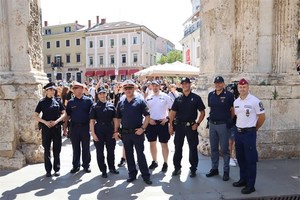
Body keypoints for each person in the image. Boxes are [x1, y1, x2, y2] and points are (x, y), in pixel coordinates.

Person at [113, 79, 152, 185]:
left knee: (140, 155)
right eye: (126, 88)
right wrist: (116, 131)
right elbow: (118, 118)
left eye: (130, 88)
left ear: (134, 89)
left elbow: (147, 116)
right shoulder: (121, 102)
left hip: (137, 133)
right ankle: (132, 174)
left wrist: (143, 129)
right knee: (129, 155)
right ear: (124, 90)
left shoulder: (140, 101)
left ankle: (145, 175)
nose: (128, 90)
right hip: (125, 133)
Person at [232, 78, 266, 194]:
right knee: (240, 158)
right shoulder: (236, 102)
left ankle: (251, 185)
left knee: (250, 159)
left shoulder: (255, 101)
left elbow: (262, 117)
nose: (242, 89)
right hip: (238, 132)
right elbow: (238, 116)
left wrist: (255, 128)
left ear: (248, 87)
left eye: (244, 87)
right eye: (240, 87)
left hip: (249, 133)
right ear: (238, 88)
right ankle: (243, 179)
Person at [169, 77, 206, 178]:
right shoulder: (178, 99)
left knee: (193, 148)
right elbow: (172, 112)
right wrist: (171, 125)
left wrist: (197, 124)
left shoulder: (196, 98)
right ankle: (177, 168)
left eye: (187, 83)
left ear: (190, 84)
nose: (185, 85)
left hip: (191, 126)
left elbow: (202, 112)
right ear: (181, 86)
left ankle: (193, 169)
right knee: (177, 148)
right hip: (179, 126)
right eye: (183, 84)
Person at [205, 76, 235, 181]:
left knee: (224, 149)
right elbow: (211, 108)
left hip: (223, 125)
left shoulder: (229, 95)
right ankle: (214, 168)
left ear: (223, 84)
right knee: (213, 148)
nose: (218, 85)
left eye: (220, 83)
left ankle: (226, 171)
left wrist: (228, 121)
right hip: (212, 124)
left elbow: (232, 111)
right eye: (216, 83)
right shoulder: (211, 95)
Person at [34, 82, 66, 177]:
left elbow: (64, 113)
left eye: (53, 90)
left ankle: (56, 169)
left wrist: (57, 121)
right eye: (51, 90)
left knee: (57, 149)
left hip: (56, 128)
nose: (53, 91)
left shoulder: (57, 100)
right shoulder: (42, 102)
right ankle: (48, 170)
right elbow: (36, 116)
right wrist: (45, 122)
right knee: (47, 149)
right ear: (46, 91)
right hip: (46, 128)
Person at [64, 81, 94, 174]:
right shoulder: (70, 102)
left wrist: (92, 128)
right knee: (75, 148)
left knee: (86, 147)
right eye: (74, 89)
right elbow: (67, 116)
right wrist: (65, 127)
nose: (75, 90)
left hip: (85, 127)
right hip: (74, 127)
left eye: (77, 88)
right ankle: (75, 166)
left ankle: (86, 165)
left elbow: (93, 115)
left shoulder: (88, 101)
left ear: (82, 89)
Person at [89, 87, 119, 178]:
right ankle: (103, 170)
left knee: (111, 150)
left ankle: (112, 167)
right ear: (98, 95)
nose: (102, 95)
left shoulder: (111, 105)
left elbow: (115, 119)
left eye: (104, 93)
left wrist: (116, 131)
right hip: (99, 130)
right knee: (100, 151)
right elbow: (92, 121)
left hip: (110, 129)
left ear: (106, 94)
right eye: (100, 93)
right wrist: (93, 134)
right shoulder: (94, 106)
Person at [145, 80, 173, 172]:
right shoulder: (148, 98)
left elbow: (173, 109)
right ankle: (154, 161)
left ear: (160, 86)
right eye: (153, 86)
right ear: (151, 87)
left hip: (162, 123)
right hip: (151, 123)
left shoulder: (165, 96)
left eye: (156, 86)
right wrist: (149, 120)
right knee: (152, 143)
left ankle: (165, 163)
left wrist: (168, 119)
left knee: (164, 144)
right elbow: (144, 111)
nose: (155, 87)